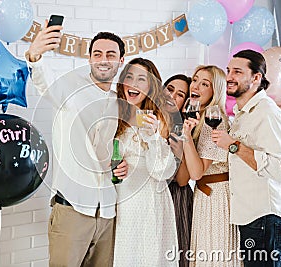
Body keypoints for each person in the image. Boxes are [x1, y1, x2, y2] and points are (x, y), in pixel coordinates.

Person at [25, 21, 128, 267]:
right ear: (90, 59)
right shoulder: (69, 89)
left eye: (111, 54)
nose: (104, 60)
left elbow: (115, 146)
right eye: (98, 54)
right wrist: (35, 55)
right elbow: (43, 80)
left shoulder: (119, 102)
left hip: (107, 212)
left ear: (121, 61)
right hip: (71, 207)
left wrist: (121, 164)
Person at [212, 49, 281, 266]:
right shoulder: (243, 114)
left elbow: (280, 168)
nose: (229, 77)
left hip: (266, 217)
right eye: (229, 70)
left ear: (256, 78)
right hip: (252, 217)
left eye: (238, 72)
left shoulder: (267, 112)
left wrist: (233, 145)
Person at [113, 58, 178, 267]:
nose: (134, 83)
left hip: (150, 199)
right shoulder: (113, 113)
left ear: (151, 87)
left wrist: (154, 138)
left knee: (149, 256)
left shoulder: (158, 118)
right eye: (129, 77)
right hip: (121, 201)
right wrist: (112, 166)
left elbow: (162, 171)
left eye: (142, 79)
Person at [176, 65, 242, 266]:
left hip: (216, 196)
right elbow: (186, 176)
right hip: (204, 196)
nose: (196, 86)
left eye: (205, 84)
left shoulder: (214, 121)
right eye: (195, 80)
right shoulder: (197, 118)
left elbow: (196, 172)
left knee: (215, 255)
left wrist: (185, 136)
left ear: (216, 91)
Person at [163, 74, 193, 267]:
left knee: (176, 255)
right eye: (170, 89)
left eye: (180, 94)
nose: (172, 96)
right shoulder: (144, 117)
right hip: (147, 197)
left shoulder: (183, 129)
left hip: (176, 199)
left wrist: (180, 152)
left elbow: (183, 180)